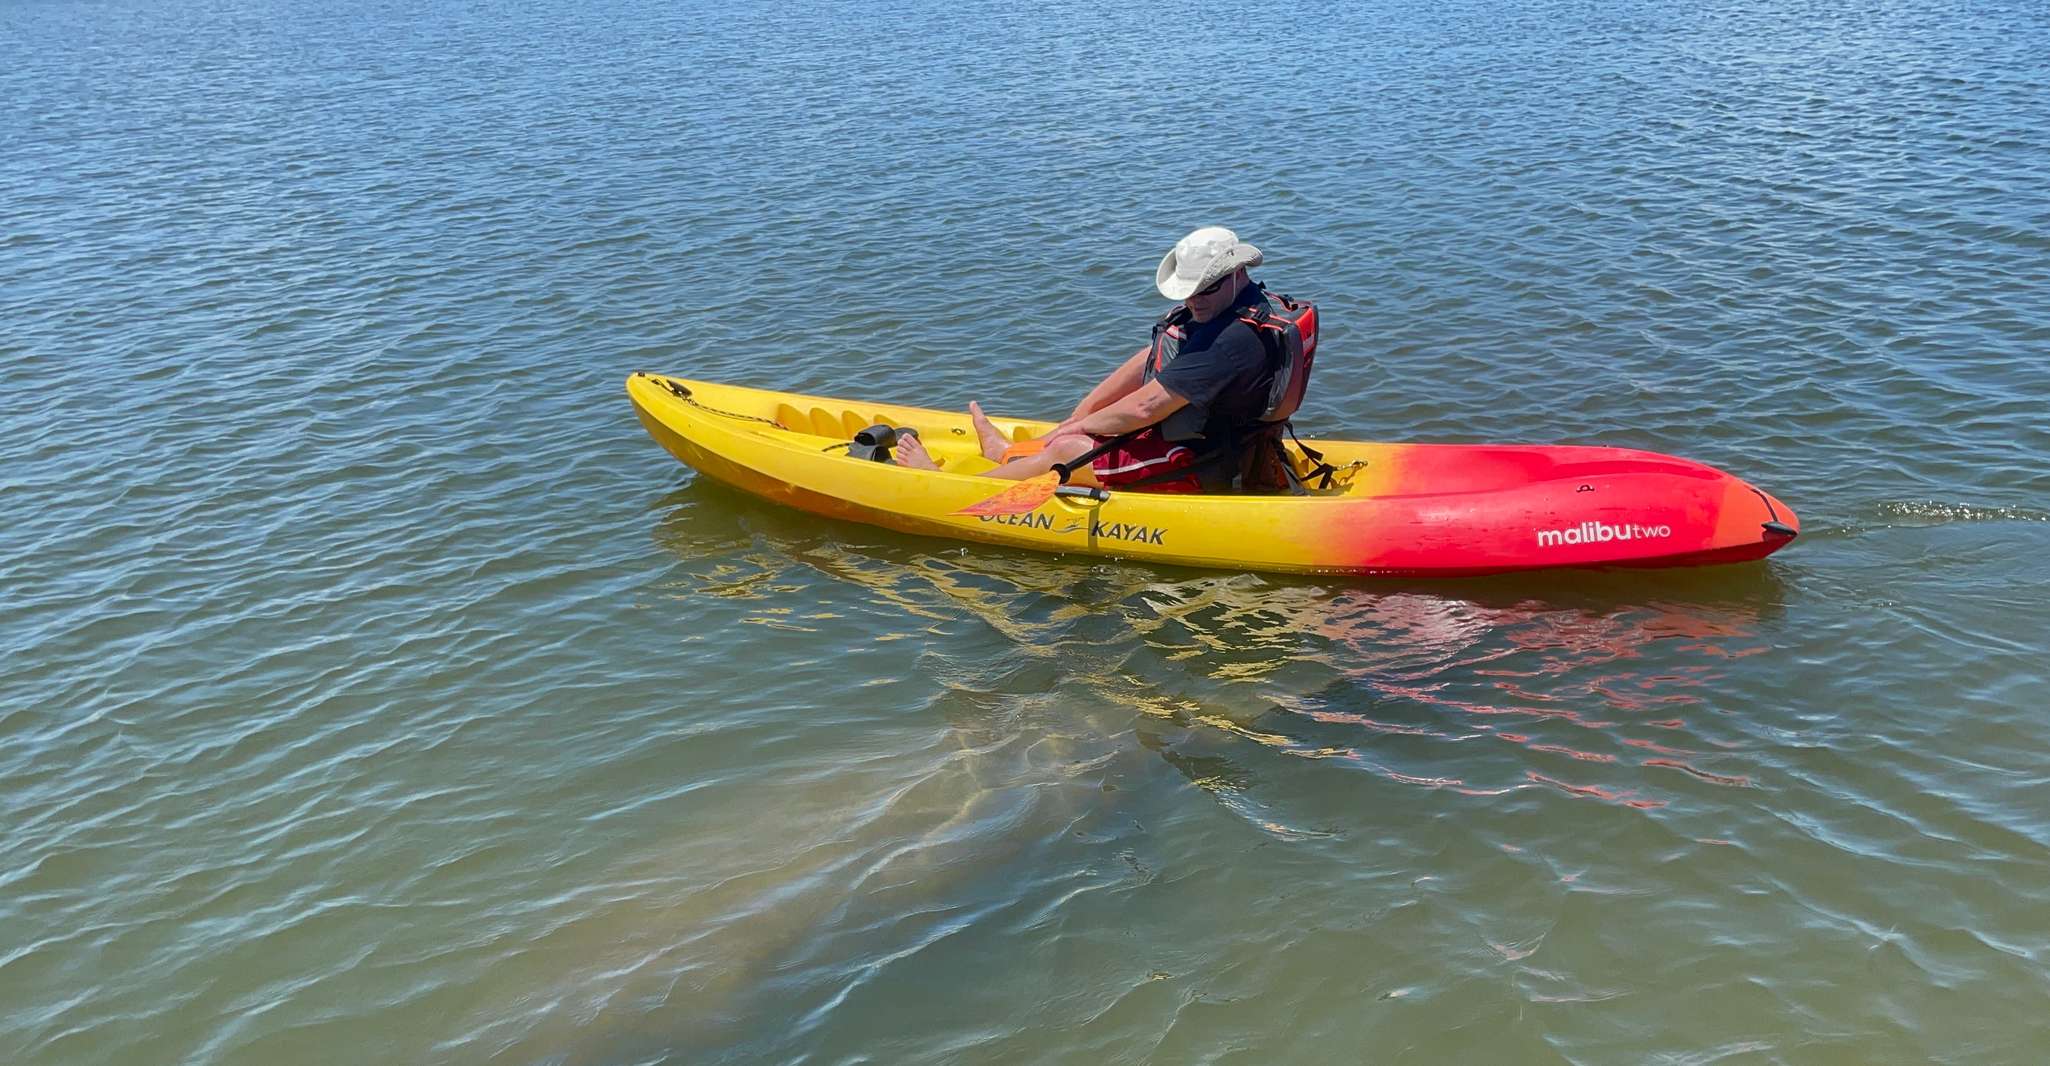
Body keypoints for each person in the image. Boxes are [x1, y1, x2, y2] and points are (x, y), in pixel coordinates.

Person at [896, 227, 1283, 493]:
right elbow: (1152, 356)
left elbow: (1145, 408)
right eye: (1188, 290)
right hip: (1207, 444)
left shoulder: (1231, 340)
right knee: (1083, 428)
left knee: (1070, 450)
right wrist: (1082, 415)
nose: (1193, 300)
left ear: (1237, 273)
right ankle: (1008, 455)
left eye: (1204, 290)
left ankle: (947, 487)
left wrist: (1077, 430)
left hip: (1200, 466)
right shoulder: (1245, 307)